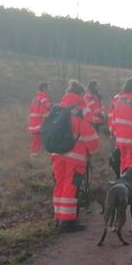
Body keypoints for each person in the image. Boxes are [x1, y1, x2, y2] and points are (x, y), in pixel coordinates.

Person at [51, 80, 100, 231]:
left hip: (57, 153)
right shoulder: (82, 110)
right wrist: (93, 150)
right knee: (70, 186)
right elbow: (89, 134)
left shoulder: (58, 108)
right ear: (80, 94)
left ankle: (58, 218)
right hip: (75, 155)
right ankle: (67, 221)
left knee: (59, 184)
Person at [28, 82, 52, 156]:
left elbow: (31, 110)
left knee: (36, 141)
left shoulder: (35, 99)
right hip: (41, 123)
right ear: (44, 88)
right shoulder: (44, 99)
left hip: (33, 123)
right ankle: (38, 156)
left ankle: (34, 155)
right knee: (44, 140)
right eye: (48, 88)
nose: (49, 90)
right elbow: (45, 112)